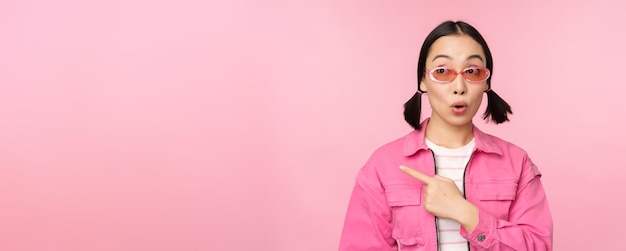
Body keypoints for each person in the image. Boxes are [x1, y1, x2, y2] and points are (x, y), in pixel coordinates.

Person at [338, 20, 553, 251]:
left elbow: (539, 246)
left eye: (472, 71)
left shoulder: (516, 162)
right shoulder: (383, 166)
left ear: (486, 81)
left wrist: (465, 212)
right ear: (423, 79)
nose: (459, 86)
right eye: (442, 71)